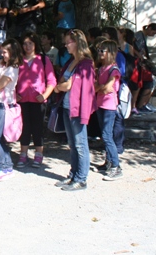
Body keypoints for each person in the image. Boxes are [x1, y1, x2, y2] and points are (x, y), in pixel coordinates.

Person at [54, 29, 96, 191]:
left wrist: (60, 86)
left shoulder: (86, 64)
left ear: (77, 42)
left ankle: (81, 179)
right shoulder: (71, 61)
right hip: (67, 106)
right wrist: (62, 85)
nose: (66, 45)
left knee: (80, 144)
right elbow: (63, 81)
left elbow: (68, 85)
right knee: (72, 143)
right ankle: (73, 174)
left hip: (77, 108)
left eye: (68, 42)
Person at [16, 32, 56, 169]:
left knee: (38, 128)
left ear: (35, 44)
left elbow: (52, 81)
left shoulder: (43, 60)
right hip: (22, 100)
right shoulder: (18, 60)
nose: (27, 46)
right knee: (24, 127)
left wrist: (45, 95)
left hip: (38, 101)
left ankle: (38, 154)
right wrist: (15, 94)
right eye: (25, 43)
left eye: (30, 43)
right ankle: (23, 154)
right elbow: (12, 80)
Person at [0, 38, 23, 181]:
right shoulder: (3, 64)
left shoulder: (12, 69)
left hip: (1, 106)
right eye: (1, 51)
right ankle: (7, 166)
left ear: (13, 53)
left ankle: (3, 168)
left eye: (5, 52)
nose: (2, 54)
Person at [94, 40, 123, 181]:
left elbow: (107, 88)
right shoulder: (101, 68)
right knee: (104, 135)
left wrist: (100, 87)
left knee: (107, 136)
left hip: (109, 106)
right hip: (100, 104)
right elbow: (97, 87)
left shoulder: (114, 70)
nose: (99, 53)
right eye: (99, 50)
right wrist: (101, 87)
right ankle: (109, 162)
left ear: (110, 52)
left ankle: (116, 166)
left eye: (102, 51)